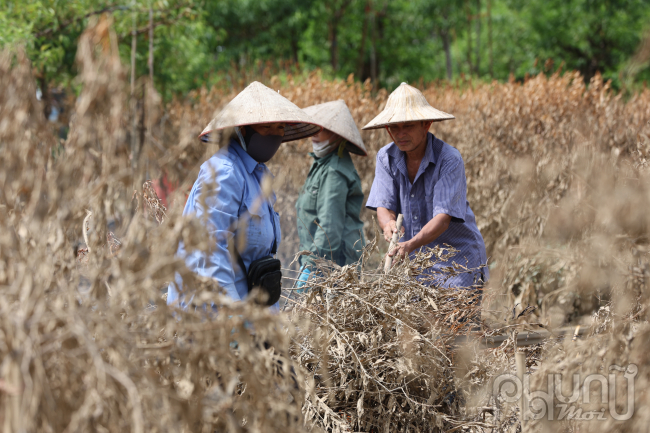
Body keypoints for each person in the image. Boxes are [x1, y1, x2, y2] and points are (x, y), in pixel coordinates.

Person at [167, 81, 321, 311]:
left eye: (279, 127)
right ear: (242, 130)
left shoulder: (259, 174)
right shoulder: (224, 173)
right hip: (218, 317)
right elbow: (210, 252)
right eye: (266, 127)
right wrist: (234, 318)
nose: (275, 135)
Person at [364, 82, 488, 289]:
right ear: (387, 129)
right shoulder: (385, 158)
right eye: (395, 127)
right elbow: (383, 206)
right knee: (416, 320)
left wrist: (410, 244)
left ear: (426, 124)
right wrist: (388, 224)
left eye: (408, 126)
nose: (400, 134)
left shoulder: (448, 159)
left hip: (457, 260)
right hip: (415, 262)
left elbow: (443, 219)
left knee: (456, 321)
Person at [294, 100, 367, 290]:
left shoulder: (334, 171)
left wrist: (312, 267)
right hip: (323, 260)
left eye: (323, 129)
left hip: (335, 266)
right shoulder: (322, 163)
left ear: (337, 135)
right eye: (314, 128)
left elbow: (329, 227)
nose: (315, 135)